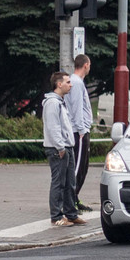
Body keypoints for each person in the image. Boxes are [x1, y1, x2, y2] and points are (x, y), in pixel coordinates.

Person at [43, 71, 86, 227]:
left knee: (69, 183)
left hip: (67, 147)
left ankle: (71, 214)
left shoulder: (61, 102)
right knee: (58, 183)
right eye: (67, 82)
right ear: (58, 84)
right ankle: (56, 217)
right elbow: (53, 127)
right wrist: (60, 147)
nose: (71, 84)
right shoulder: (53, 103)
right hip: (58, 149)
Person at [64, 54, 93, 213]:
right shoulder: (76, 82)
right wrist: (82, 129)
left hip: (80, 130)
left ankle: (74, 198)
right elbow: (76, 108)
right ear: (86, 65)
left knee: (83, 167)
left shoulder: (76, 82)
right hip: (79, 132)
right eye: (90, 65)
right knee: (78, 168)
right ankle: (70, 202)